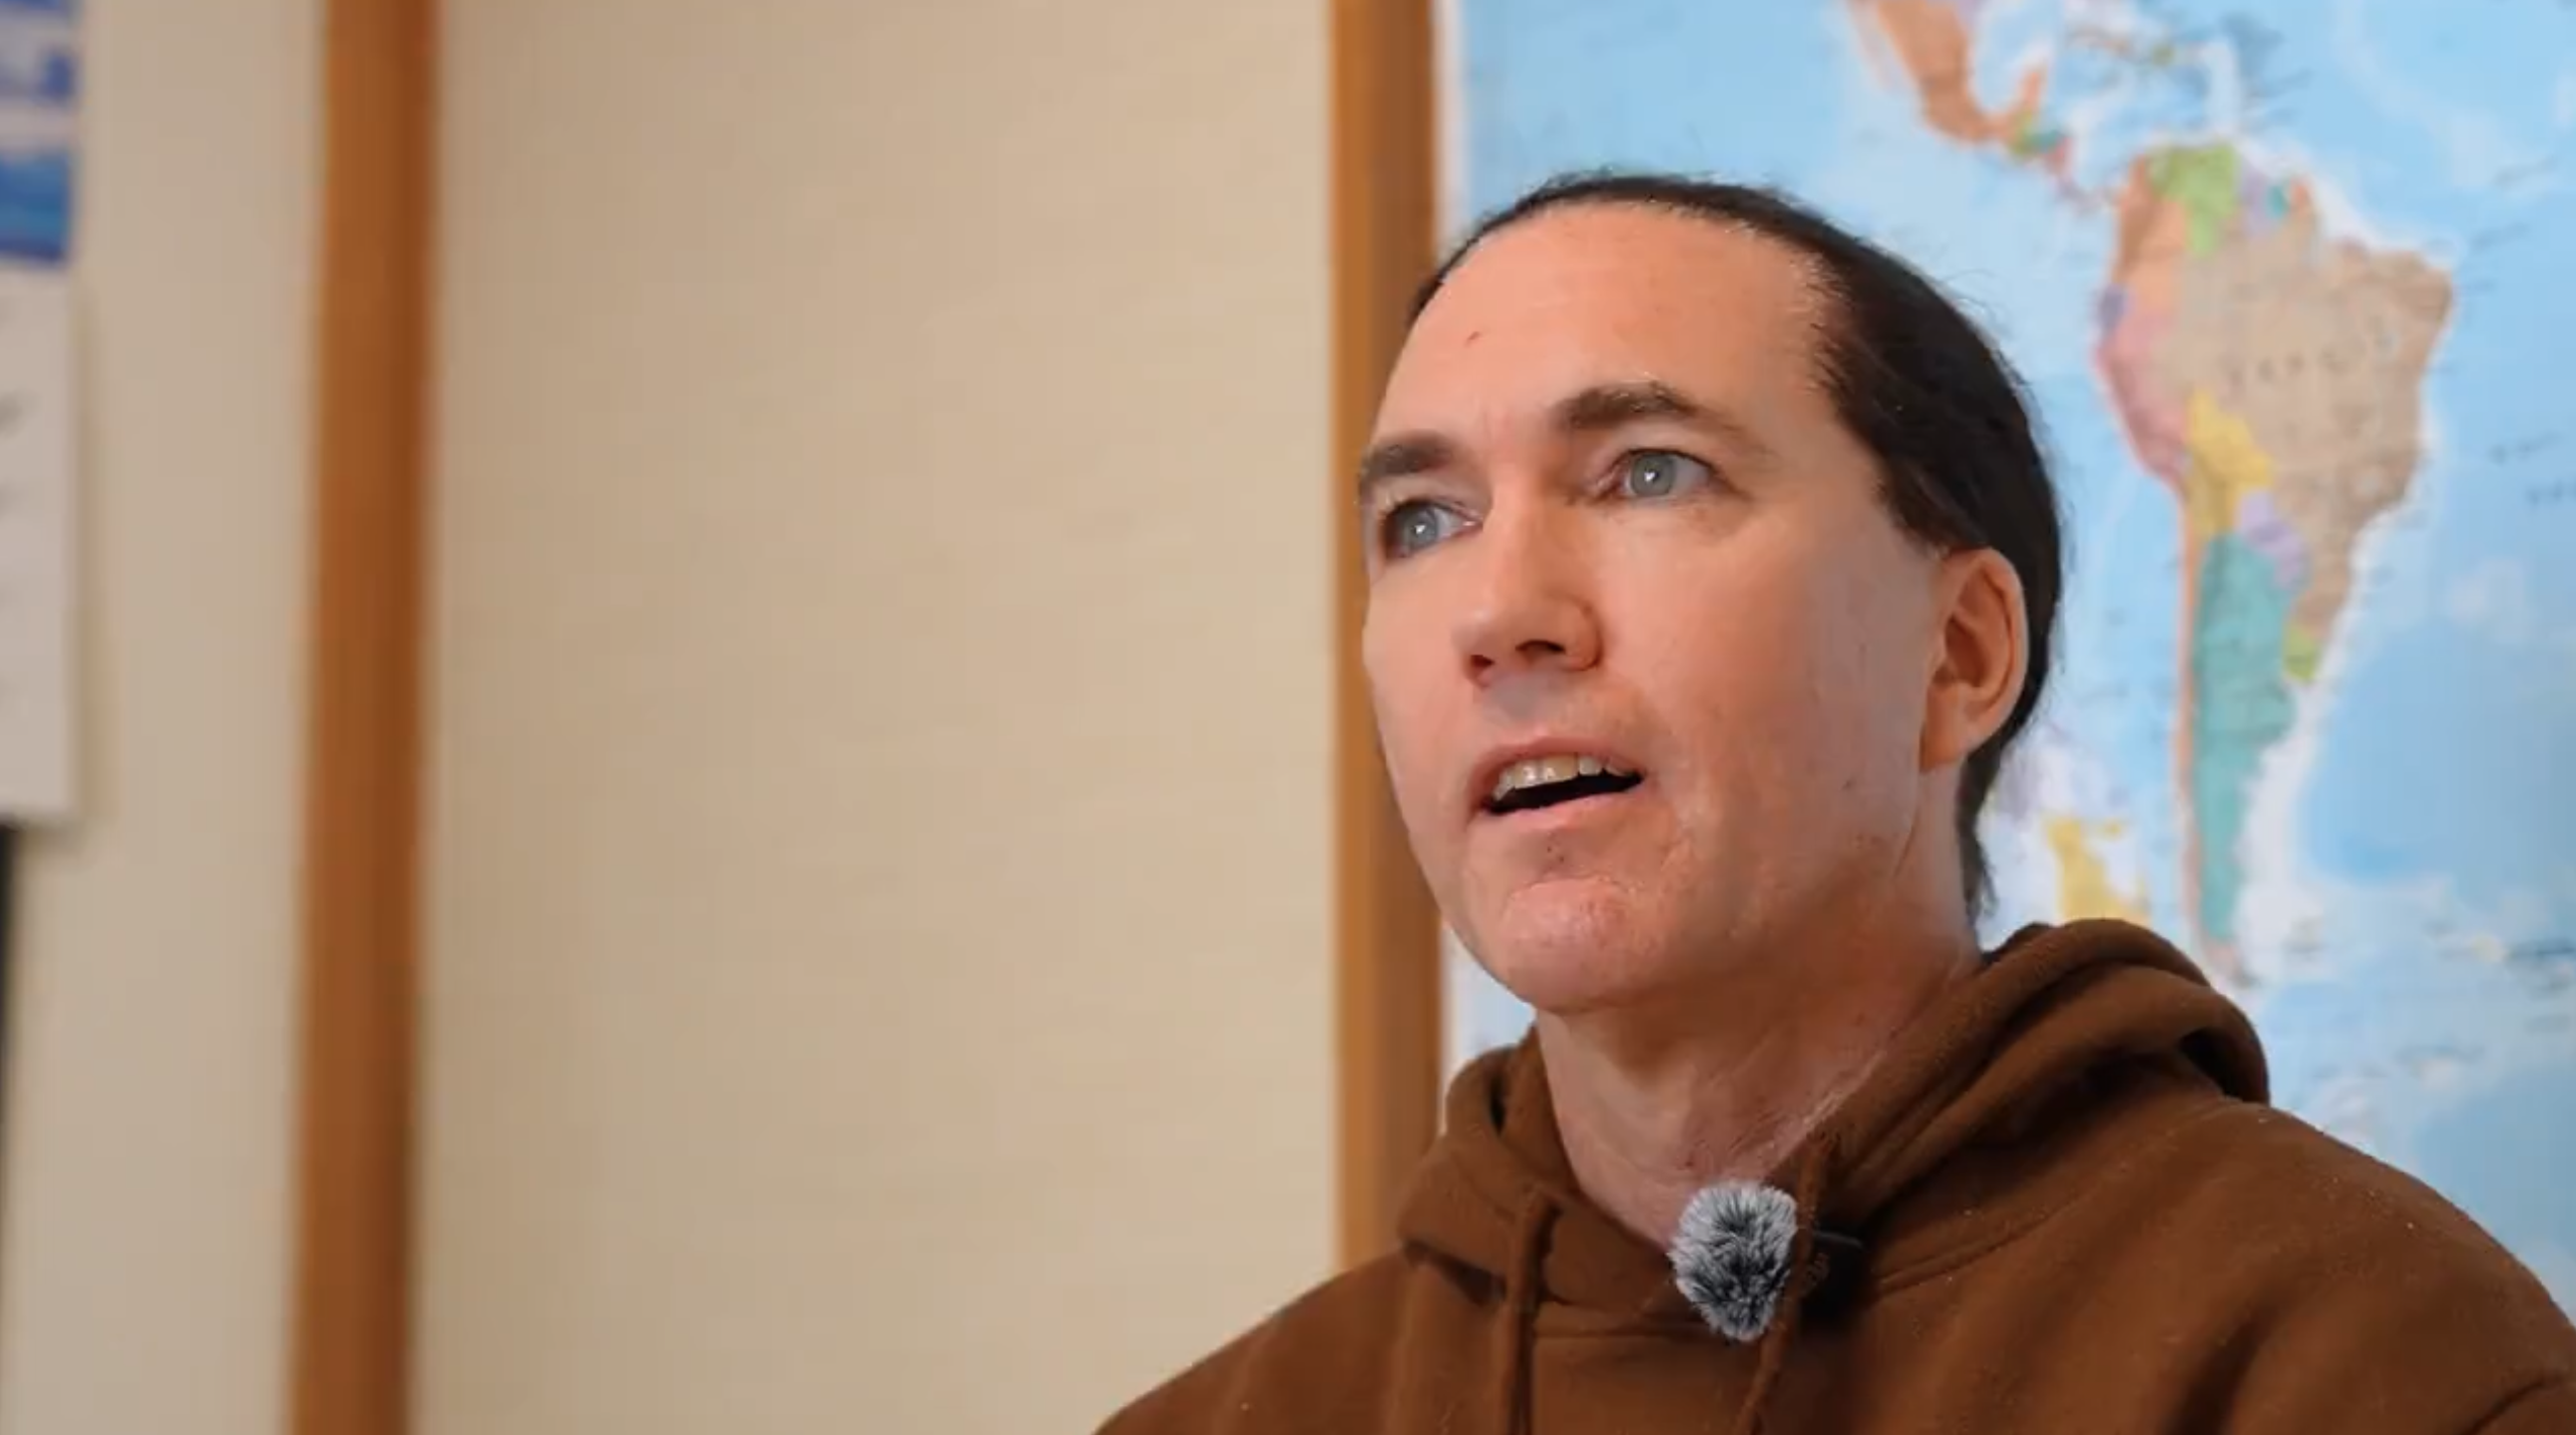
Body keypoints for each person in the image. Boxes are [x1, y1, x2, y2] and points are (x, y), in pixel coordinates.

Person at [1099, 171, 2576, 1435]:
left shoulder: (2376, 1362)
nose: (1497, 615)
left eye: (1648, 474)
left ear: (1959, 653)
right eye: (1423, 519)